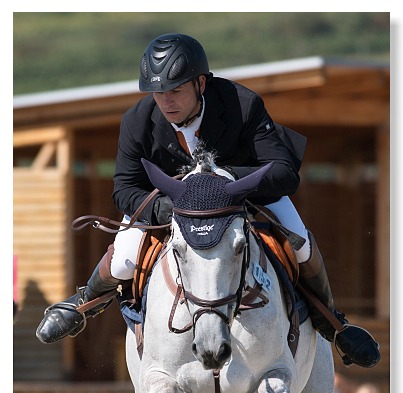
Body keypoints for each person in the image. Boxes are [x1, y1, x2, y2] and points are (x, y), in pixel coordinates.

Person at [36, 33, 380, 369]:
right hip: (172, 209)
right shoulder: (138, 121)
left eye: (175, 91)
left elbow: (285, 173)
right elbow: (124, 189)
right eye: (158, 93)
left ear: (201, 83)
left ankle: (332, 324)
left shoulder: (242, 105)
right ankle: (84, 302)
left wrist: (220, 184)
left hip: (244, 200)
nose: (166, 101)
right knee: (125, 259)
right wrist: (169, 207)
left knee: (299, 243)